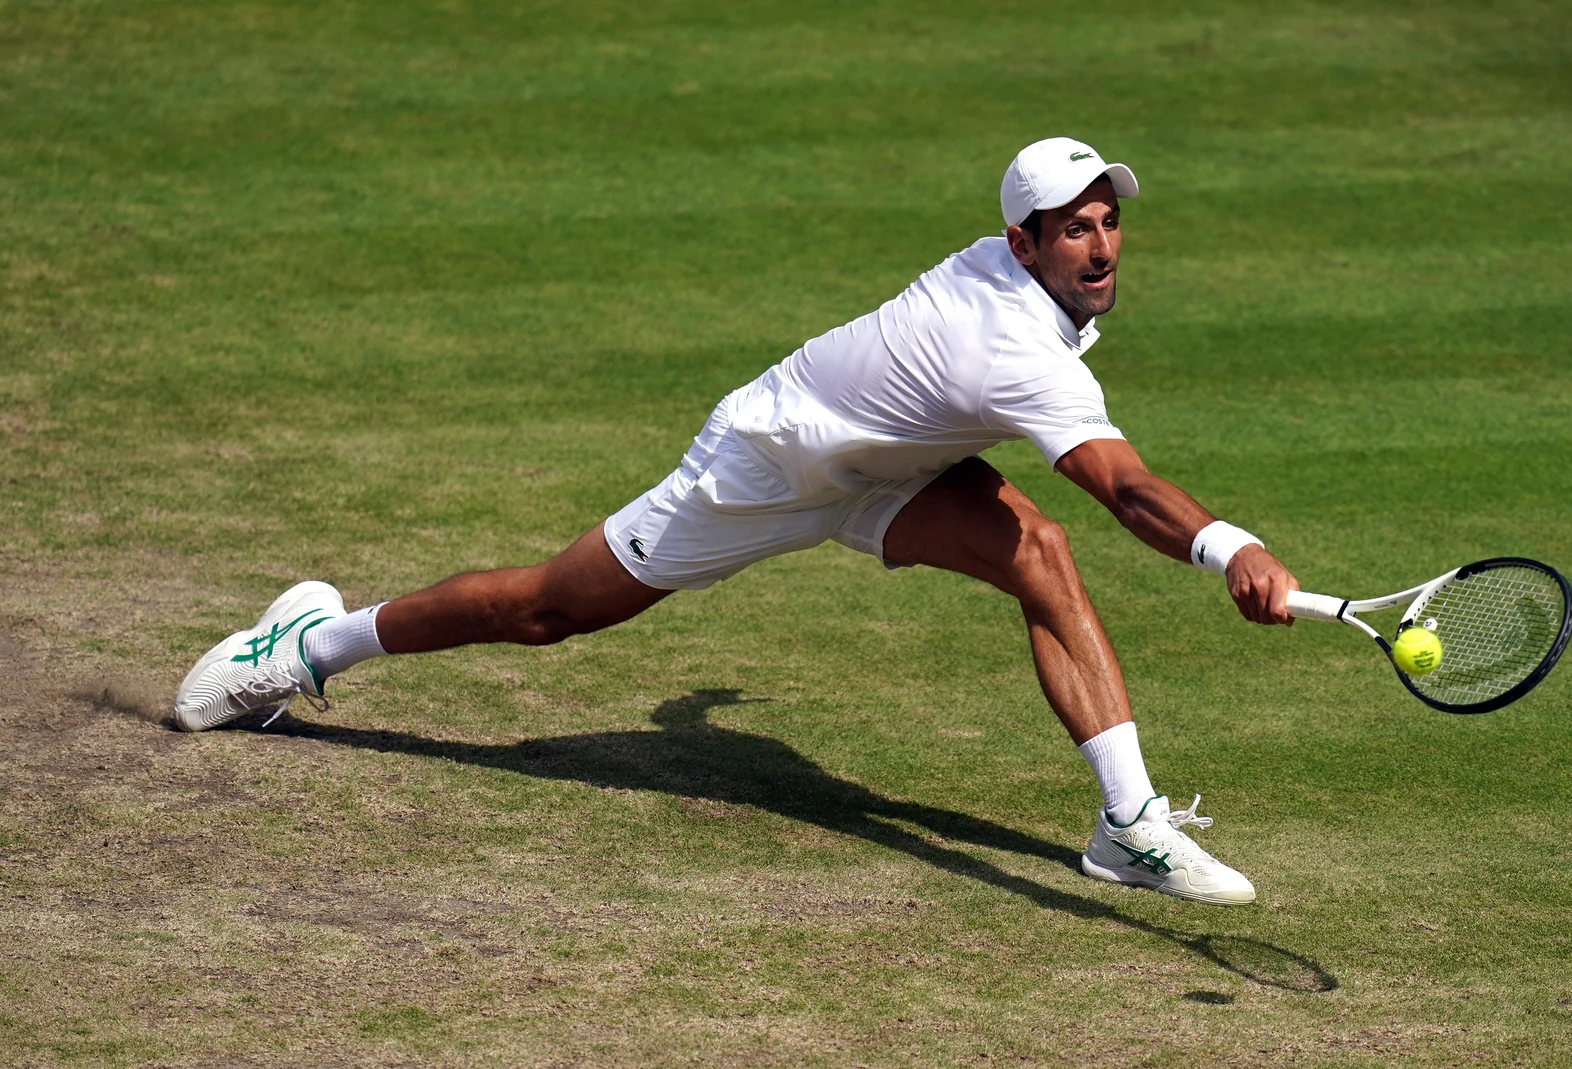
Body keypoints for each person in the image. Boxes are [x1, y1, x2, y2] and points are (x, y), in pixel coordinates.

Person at [173, 137, 1302, 906]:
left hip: (890, 466)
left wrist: (699, 714)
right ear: (1021, 245)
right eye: (1073, 231)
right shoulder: (1012, 348)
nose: (1100, 247)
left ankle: (1128, 825)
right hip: (764, 463)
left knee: (1038, 556)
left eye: (1108, 223)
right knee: (545, 613)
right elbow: (1126, 487)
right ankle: (307, 644)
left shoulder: (1022, 291)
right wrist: (1227, 544)